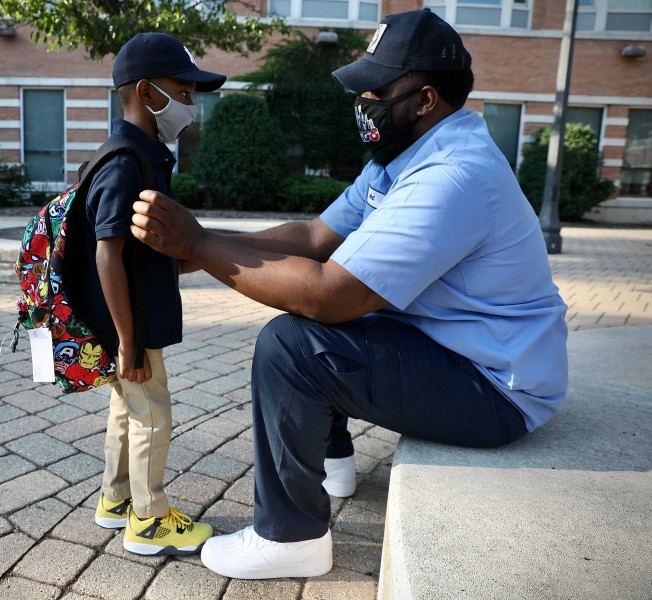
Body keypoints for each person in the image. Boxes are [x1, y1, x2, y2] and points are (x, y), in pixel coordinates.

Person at [129, 8, 568, 579]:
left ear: (425, 99)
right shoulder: (402, 157)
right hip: (455, 350)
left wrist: (198, 243)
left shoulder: (453, 175)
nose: (363, 102)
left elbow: (328, 295)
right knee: (325, 330)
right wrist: (192, 250)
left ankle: (290, 538)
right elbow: (315, 237)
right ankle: (333, 460)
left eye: (376, 90)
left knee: (292, 345)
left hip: (497, 390)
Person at [83, 32, 226, 556]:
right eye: (183, 91)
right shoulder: (126, 162)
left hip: (131, 319)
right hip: (132, 324)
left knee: (127, 410)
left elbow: (146, 249)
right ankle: (148, 520)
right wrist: (127, 341)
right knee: (152, 414)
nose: (190, 103)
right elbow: (107, 254)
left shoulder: (146, 154)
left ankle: (115, 500)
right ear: (146, 92)